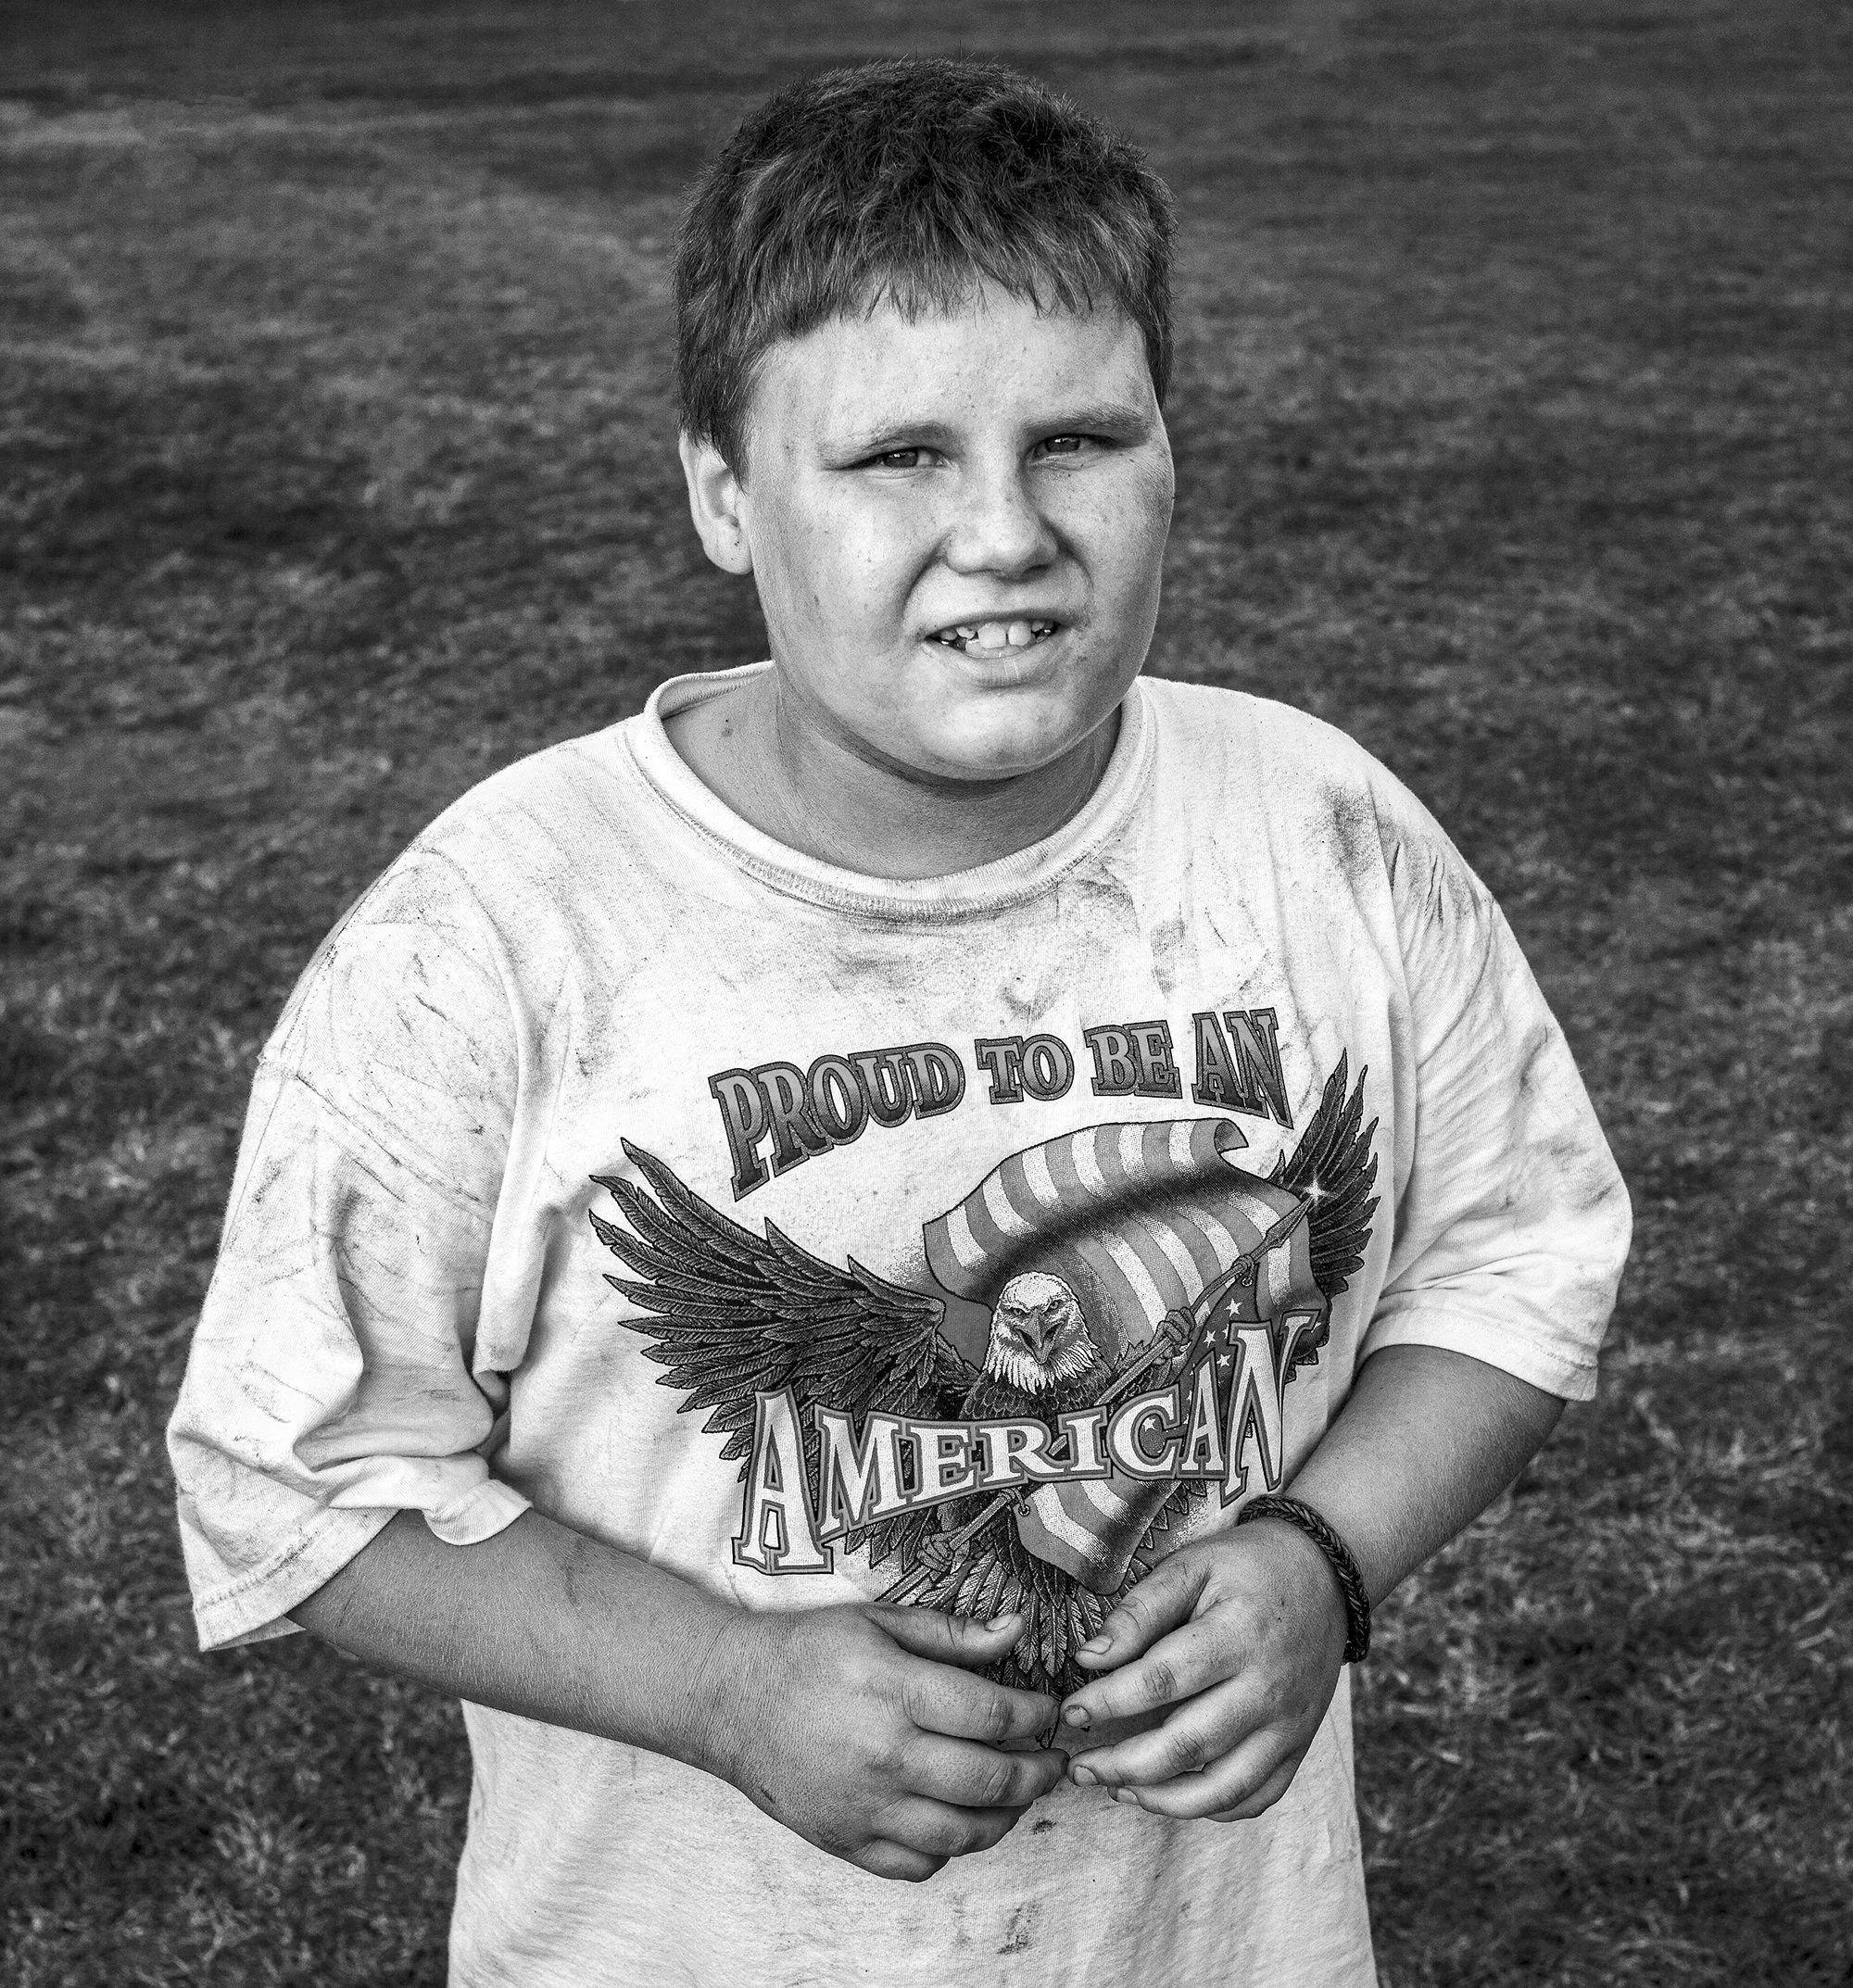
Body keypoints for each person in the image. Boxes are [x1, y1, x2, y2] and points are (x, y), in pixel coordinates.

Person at [167, 56, 1631, 1988]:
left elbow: (1514, 1255)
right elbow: (294, 1473)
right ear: (719, 488)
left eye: (1082, 438)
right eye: (897, 456)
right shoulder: (499, 932)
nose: (1008, 530)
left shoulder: (1319, 832)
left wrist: (1316, 1556)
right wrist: (724, 1685)